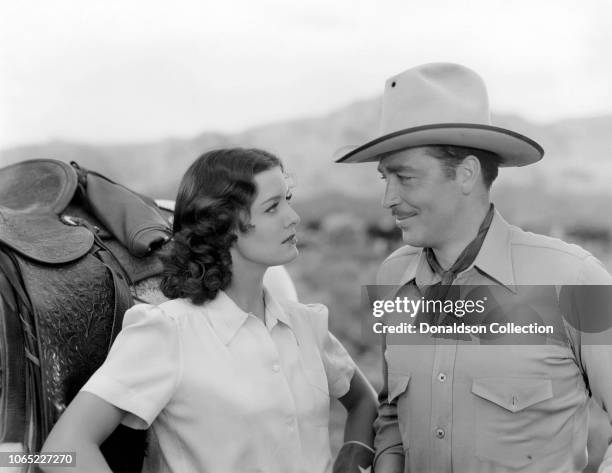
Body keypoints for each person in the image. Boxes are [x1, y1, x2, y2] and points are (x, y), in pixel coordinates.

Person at [335, 63, 612, 472]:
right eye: (384, 179)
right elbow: (393, 418)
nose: (388, 199)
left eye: (405, 178)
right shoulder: (392, 279)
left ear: (465, 174)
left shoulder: (575, 279)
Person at [42, 148, 377, 472]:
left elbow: (365, 403)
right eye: (273, 207)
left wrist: (352, 456)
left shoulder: (306, 325)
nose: (294, 217)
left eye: (287, 200)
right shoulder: (167, 332)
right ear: (224, 227)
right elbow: (65, 447)